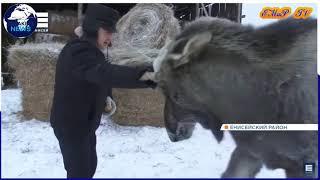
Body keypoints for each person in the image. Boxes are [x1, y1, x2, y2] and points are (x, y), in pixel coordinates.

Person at [50, 4, 156, 178]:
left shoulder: (91, 51)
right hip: (71, 125)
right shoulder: (78, 51)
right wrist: (150, 75)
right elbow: (106, 73)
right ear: (93, 28)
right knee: (80, 173)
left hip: (85, 124)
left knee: (89, 167)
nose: (110, 37)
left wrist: (107, 97)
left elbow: (100, 76)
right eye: (107, 31)